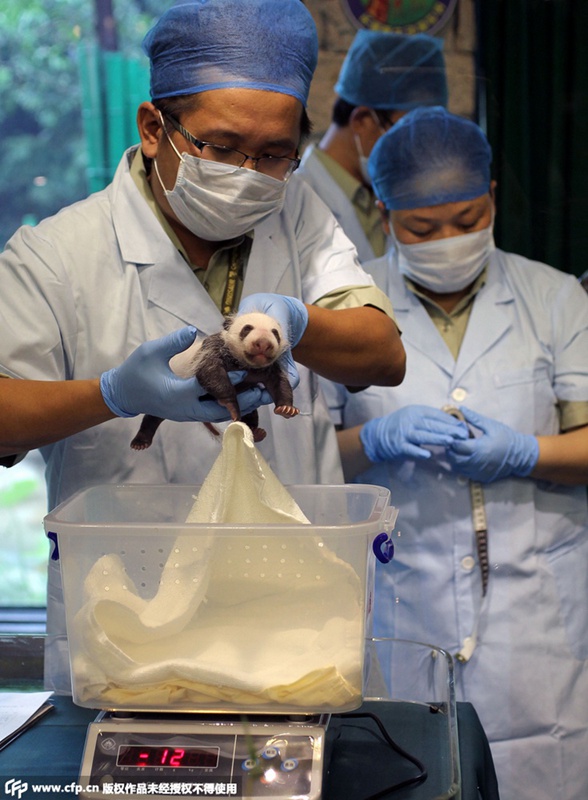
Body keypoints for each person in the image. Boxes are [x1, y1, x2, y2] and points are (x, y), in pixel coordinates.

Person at [0, 0, 405, 693]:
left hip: (292, 616)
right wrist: (111, 395)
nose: (251, 172)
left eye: (276, 152)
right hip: (127, 625)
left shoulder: (297, 210)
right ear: (154, 128)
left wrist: (301, 322)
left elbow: (383, 355)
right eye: (221, 148)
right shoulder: (57, 255)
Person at [324, 107, 588, 800]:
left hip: (534, 618)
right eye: (422, 228)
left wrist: (526, 452)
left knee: (544, 773)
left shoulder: (556, 300)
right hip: (398, 606)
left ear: (494, 197)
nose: (449, 240)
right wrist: (372, 440)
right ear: (385, 216)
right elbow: (303, 466)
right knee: (411, 770)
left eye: (468, 220)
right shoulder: (348, 318)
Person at [297, 29, 447, 262]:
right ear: (363, 121)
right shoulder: (295, 201)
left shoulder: (390, 196)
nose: (417, 150)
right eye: (408, 133)